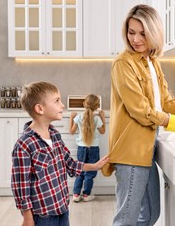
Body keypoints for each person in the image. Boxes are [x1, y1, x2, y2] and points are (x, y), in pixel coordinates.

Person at [101, 4, 175, 226]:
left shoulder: (151, 62)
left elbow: (164, 101)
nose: (135, 39)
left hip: (147, 149)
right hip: (130, 151)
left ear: (155, 33)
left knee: (150, 214)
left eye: (142, 33)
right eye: (131, 32)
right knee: (126, 219)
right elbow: (141, 110)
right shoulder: (123, 64)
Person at [11, 81, 109, 226]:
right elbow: (20, 184)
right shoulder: (24, 145)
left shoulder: (55, 135)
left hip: (62, 207)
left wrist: (95, 166)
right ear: (40, 108)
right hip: (42, 215)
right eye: (57, 101)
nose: (62, 105)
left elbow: (70, 164)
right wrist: (27, 216)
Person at [69, 94, 106, 203]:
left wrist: (71, 117)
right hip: (93, 149)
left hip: (81, 149)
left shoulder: (78, 117)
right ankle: (86, 195)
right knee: (90, 172)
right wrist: (103, 117)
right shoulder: (97, 118)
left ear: (84, 104)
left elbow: (71, 131)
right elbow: (103, 131)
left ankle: (76, 194)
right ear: (97, 106)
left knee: (80, 170)